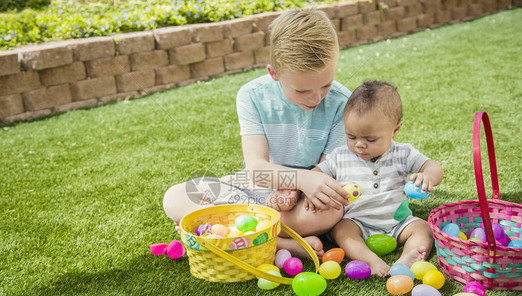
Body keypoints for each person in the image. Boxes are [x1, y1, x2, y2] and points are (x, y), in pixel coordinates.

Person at [163, 8, 352, 259]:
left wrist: (298, 188)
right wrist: (300, 180)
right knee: (175, 197)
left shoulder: (342, 102)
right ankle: (281, 244)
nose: (316, 97)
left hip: (301, 200)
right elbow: (256, 169)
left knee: (331, 212)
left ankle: (234, 233)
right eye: (302, 90)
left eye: (325, 84)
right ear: (274, 73)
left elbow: (326, 172)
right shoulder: (252, 96)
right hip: (251, 188)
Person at [306, 80, 444, 276]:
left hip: (397, 221)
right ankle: (370, 260)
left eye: (370, 139)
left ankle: (408, 257)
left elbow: (433, 166)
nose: (359, 145)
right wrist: (310, 189)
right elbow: (315, 175)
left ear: (395, 130)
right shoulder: (339, 156)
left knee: (423, 228)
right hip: (357, 221)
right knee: (341, 230)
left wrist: (428, 176)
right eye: (351, 137)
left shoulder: (403, 153)